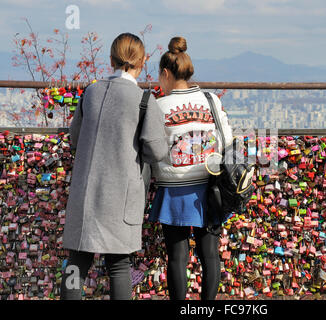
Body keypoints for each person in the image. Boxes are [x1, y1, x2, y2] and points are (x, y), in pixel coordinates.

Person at [60, 33, 168, 300]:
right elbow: (157, 150)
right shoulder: (144, 100)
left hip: (85, 192)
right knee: (119, 265)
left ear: (111, 59)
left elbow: (76, 138)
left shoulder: (90, 93)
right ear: (143, 62)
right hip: (121, 197)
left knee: (77, 262)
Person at [146, 36, 233, 300]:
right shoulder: (210, 100)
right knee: (210, 255)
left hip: (174, 191)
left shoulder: (158, 106)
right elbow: (227, 141)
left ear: (165, 73)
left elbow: (152, 148)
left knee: (177, 257)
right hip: (210, 187)